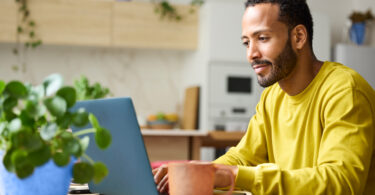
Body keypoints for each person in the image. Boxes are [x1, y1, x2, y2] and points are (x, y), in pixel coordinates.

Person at [153, 0, 375, 194]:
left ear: (298, 37)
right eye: (247, 42)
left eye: (262, 38)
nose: (251, 54)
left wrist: (234, 175)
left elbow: (341, 183)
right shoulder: (272, 97)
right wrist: (199, 171)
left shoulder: (345, 91)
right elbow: (242, 157)